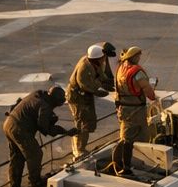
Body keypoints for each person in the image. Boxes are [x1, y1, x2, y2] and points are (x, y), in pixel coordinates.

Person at [4, 86, 72, 187]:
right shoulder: (45, 107)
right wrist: (65, 131)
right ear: (55, 100)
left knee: (17, 157)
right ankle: (35, 183)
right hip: (20, 129)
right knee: (35, 154)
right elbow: (44, 128)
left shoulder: (38, 94)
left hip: (9, 123)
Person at [111, 46, 157, 177]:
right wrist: (153, 97)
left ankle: (122, 163)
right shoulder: (137, 73)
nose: (139, 58)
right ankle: (127, 166)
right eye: (138, 56)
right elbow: (148, 91)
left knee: (125, 135)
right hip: (136, 109)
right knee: (140, 136)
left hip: (123, 109)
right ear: (134, 57)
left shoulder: (120, 69)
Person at [66, 42, 115, 160]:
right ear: (97, 58)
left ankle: (80, 147)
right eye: (102, 58)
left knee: (88, 121)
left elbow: (101, 75)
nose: (104, 59)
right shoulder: (85, 67)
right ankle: (79, 150)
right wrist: (100, 92)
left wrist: (110, 84)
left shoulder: (94, 63)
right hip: (78, 97)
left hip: (84, 96)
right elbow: (86, 86)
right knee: (82, 122)